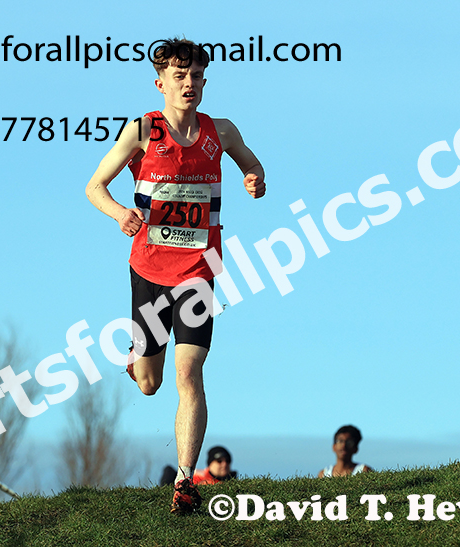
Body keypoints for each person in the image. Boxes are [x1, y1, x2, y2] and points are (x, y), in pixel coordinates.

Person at [86, 38, 265, 514]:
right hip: (148, 268)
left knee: (190, 373)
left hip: (198, 271)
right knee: (150, 383)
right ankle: (138, 360)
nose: (190, 84)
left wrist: (255, 179)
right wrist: (119, 213)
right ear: (160, 82)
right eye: (180, 77)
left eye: (197, 77)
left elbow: (252, 162)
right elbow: (94, 186)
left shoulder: (220, 131)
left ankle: (186, 480)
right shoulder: (143, 130)